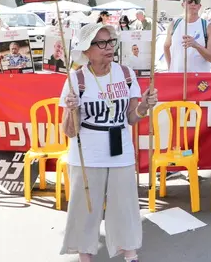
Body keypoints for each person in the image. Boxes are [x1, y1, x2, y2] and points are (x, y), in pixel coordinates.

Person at [60, 23, 158, 262]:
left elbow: (132, 117)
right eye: (101, 43)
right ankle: (85, 257)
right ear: (87, 51)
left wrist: (145, 105)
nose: (108, 48)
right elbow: (69, 131)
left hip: (120, 151)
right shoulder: (76, 79)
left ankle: (130, 255)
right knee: (85, 209)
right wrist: (71, 110)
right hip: (87, 154)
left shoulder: (125, 74)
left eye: (110, 42)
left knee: (125, 207)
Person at [164, 0, 211, 72]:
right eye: (189, 1)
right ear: (183, 4)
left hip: (199, 80)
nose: (193, 4)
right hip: (177, 78)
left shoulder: (209, 27)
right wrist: (170, 68)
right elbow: (166, 46)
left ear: (199, 6)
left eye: (196, 1)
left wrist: (196, 45)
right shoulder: (174, 24)